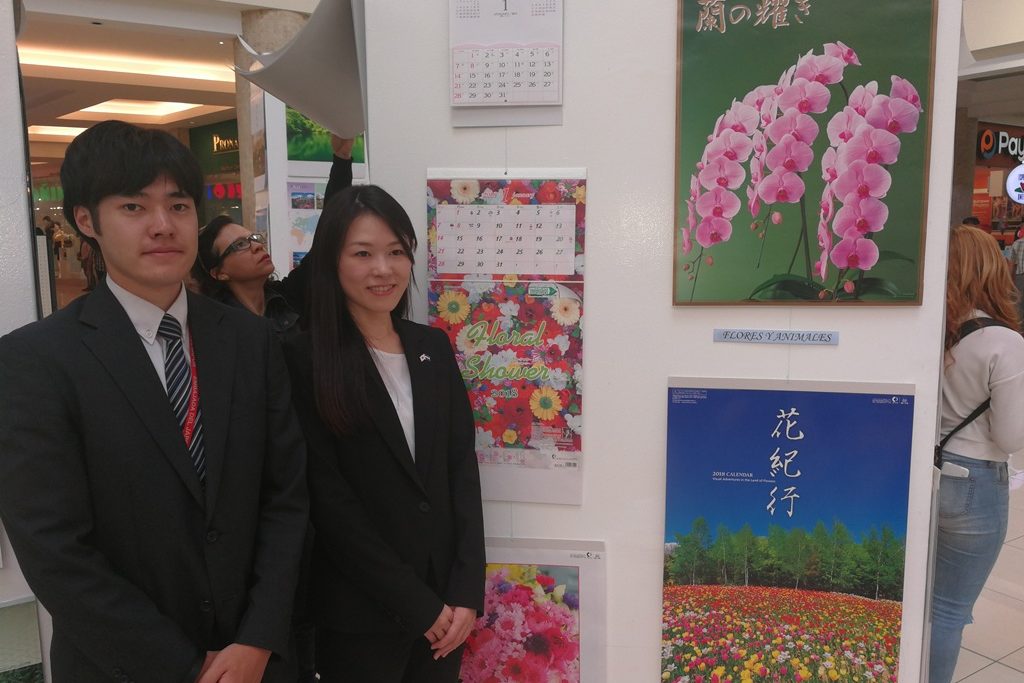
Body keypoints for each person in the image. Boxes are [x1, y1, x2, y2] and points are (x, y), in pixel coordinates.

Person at [0, 120, 309, 683]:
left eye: (179, 205)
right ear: (86, 220)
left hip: (256, 662)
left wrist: (258, 638)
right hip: (124, 667)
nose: (163, 225)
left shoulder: (250, 340)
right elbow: (53, 548)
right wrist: (182, 666)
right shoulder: (36, 360)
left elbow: (286, 497)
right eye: (133, 207)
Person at [282, 185, 485, 683]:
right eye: (363, 254)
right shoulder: (303, 358)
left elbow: (461, 471)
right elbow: (330, 503)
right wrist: (418, 605)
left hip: (447, 611)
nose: (383, 269)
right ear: (331, 261)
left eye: (396, 252)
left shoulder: (432, 347)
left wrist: (465, 593)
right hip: (361, 615)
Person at [930, 224, 1024, 682]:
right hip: (975, 485)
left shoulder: (928, 335)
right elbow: (1011, 438)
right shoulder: (1003, 343)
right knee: (948, 611)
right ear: (990, 269)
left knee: (918, 599)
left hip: (923, 473)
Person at [192, 134, 356, 338]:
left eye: (253, 238)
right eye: (240, 244)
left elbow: (327, 240)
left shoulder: (286, 299)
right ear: (219, 273)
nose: (257, 246)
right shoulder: (215, 327)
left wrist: (342, 158)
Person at [1007, 227, 1024, 322]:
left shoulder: (1017, 243)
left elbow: (1011, 264)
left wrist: (1009, 281)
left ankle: (1019, 325)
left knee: (1019, 302)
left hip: (1020, 276)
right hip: (1020, 276)